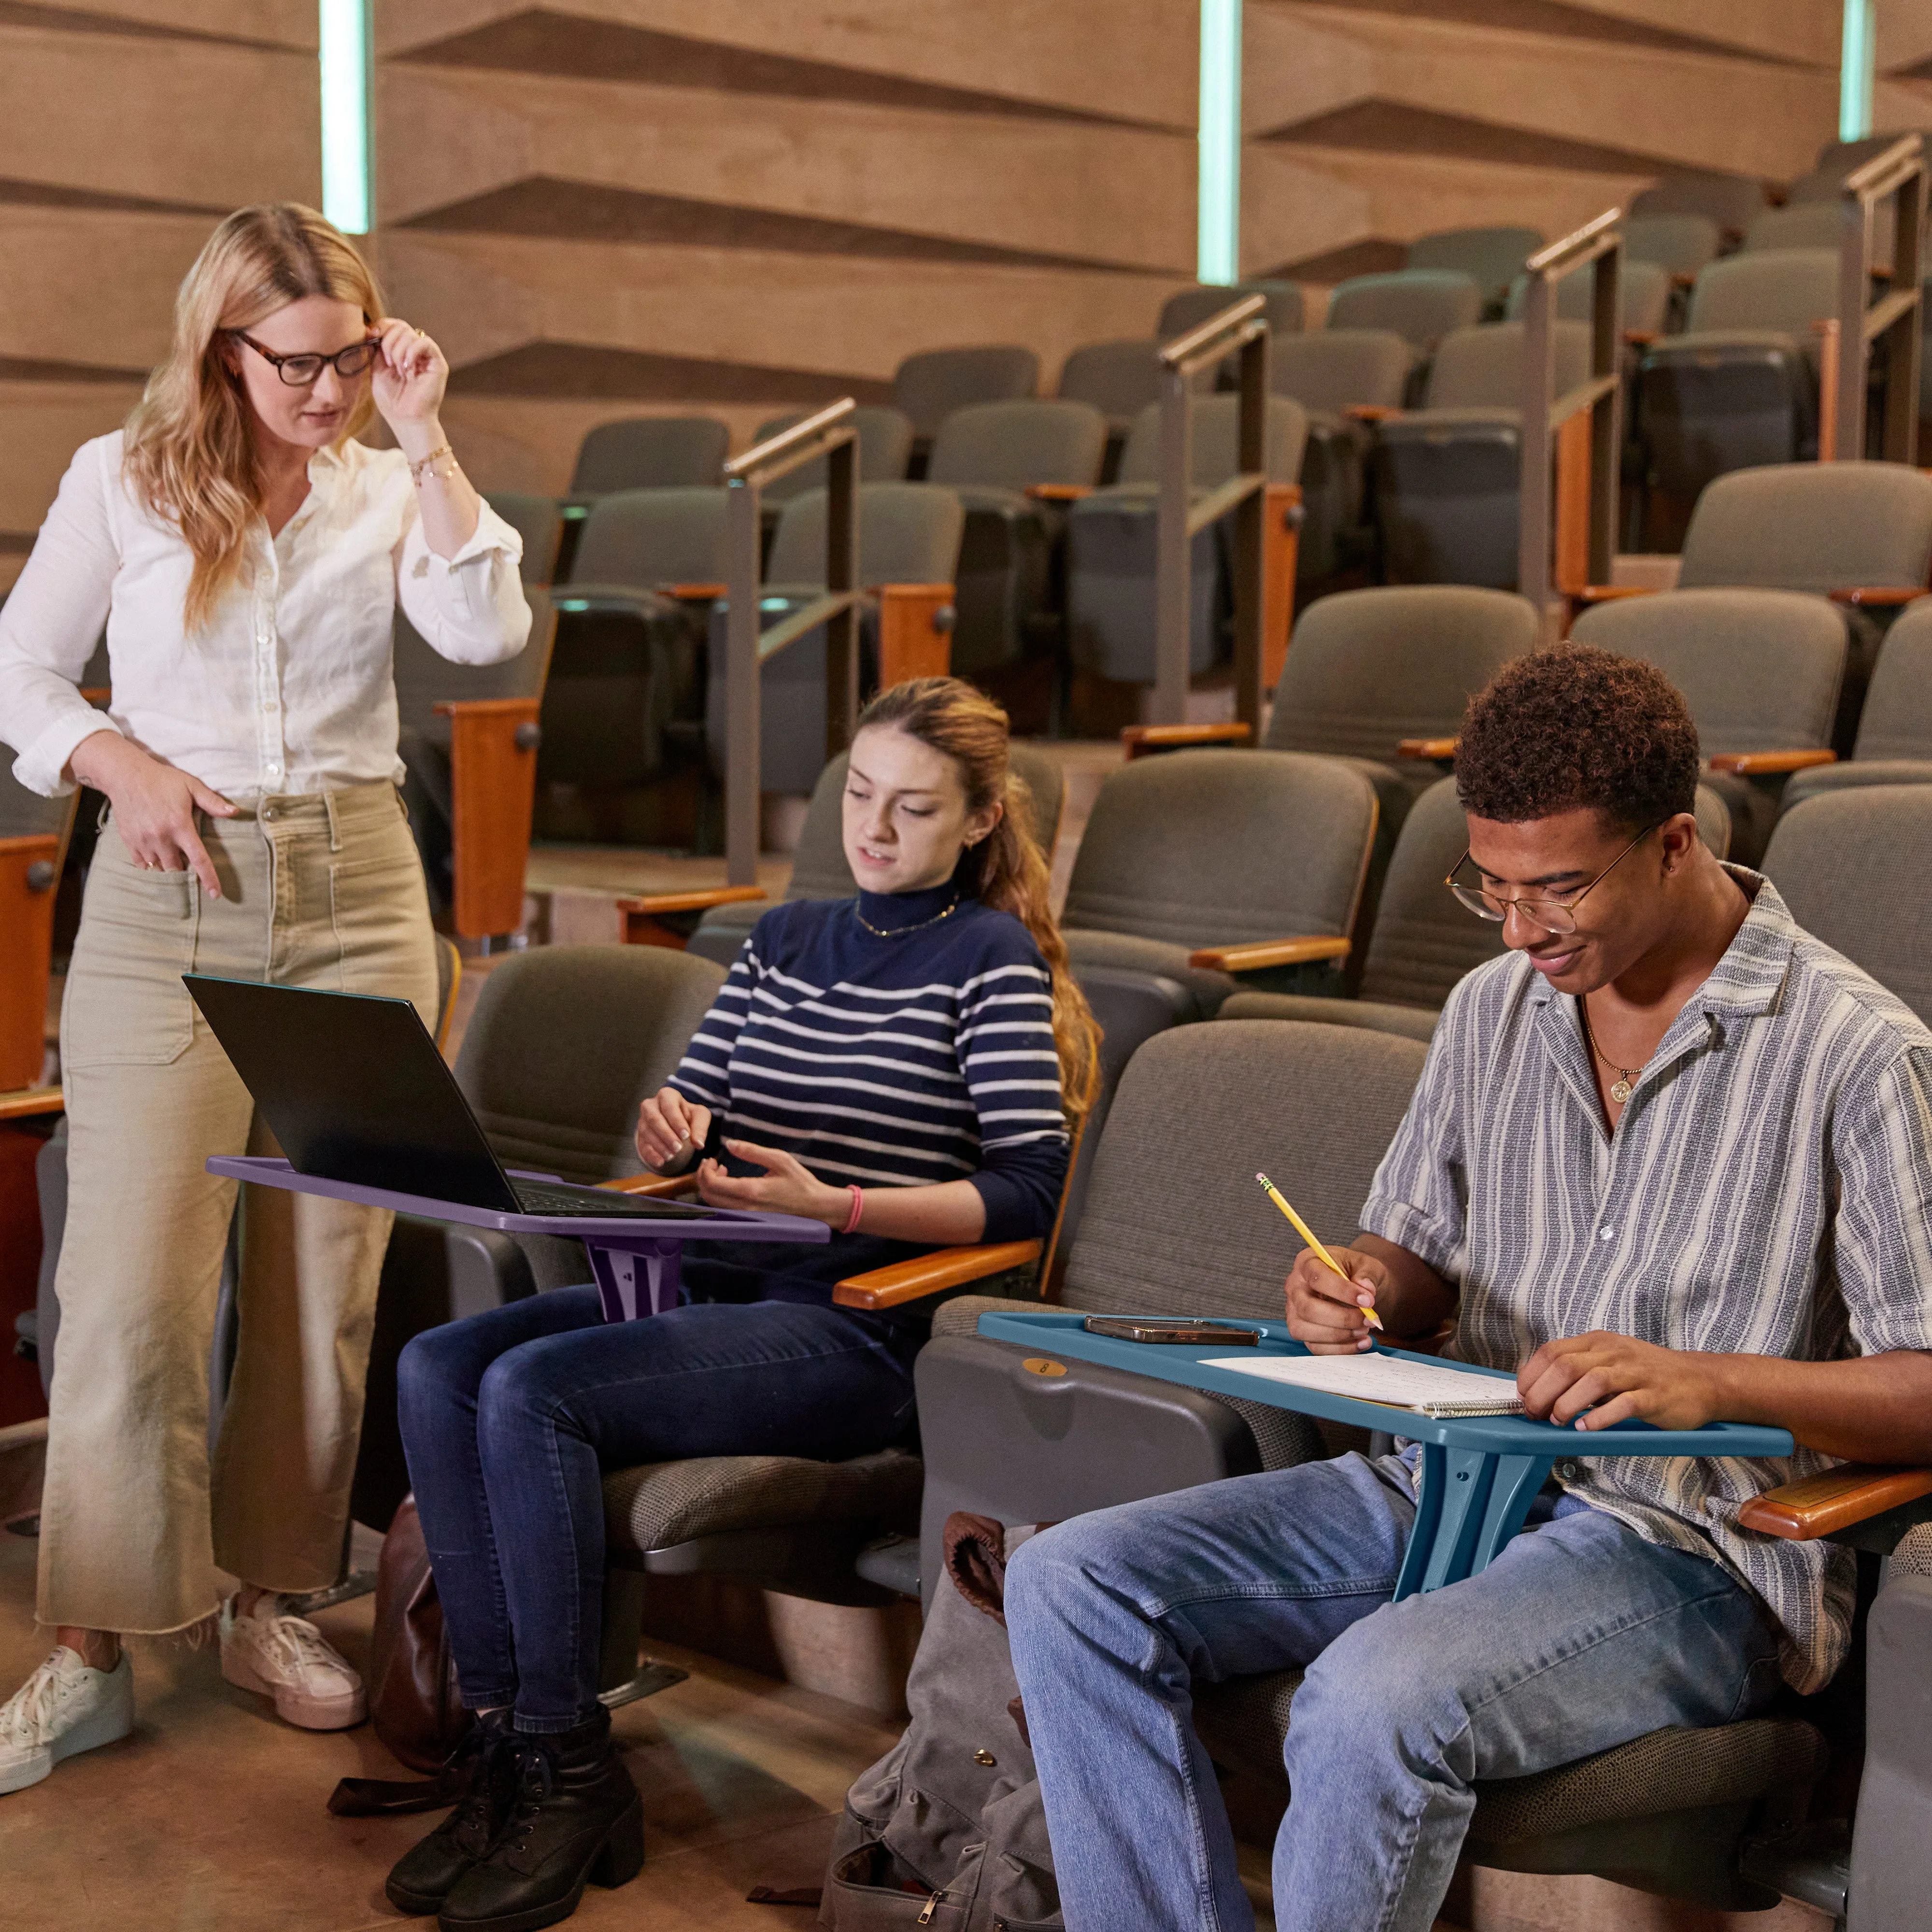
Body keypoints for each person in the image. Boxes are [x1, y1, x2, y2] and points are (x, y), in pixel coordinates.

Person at [1002, 646, 1932, 1932]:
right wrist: (1361, 1281)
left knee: (1372, 1701)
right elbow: (1414, 1259)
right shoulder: (1494, 1006)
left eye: (1554, 889)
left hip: (1685, 1547)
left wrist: (1702, 1379)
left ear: (1673, 843)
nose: (1516, 928)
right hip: (1442, 1484)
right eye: (1487, 887)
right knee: (1068, 1587)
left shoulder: (1859, 1056)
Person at [387, 676, 1100, 1932]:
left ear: (982, 820)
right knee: (439, 1366)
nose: (874, 830)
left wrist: (840, 1206)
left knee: (534, 1390)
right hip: (718, 1285)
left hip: (857, 1325)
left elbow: (1030, 1189)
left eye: (914, 809)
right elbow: (696, 1109)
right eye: (862, 797)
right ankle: (505, 1742)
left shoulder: (985, 957)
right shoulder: (783, 937)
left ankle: (566, 1763)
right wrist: (678, 1130)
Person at [0, 204, 530, 1794]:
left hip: (361, 889)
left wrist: (429, 438)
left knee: (323, 1282)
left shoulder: (390, 482)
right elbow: (17, 675)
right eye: (298, 362)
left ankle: (273, 1603)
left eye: (355, 358)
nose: (328, 390)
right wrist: (119, 759)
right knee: (133, 1289)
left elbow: (484, 628)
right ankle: (93, 1648)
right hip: (172, 887)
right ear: (223, 350)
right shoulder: (123, 479)